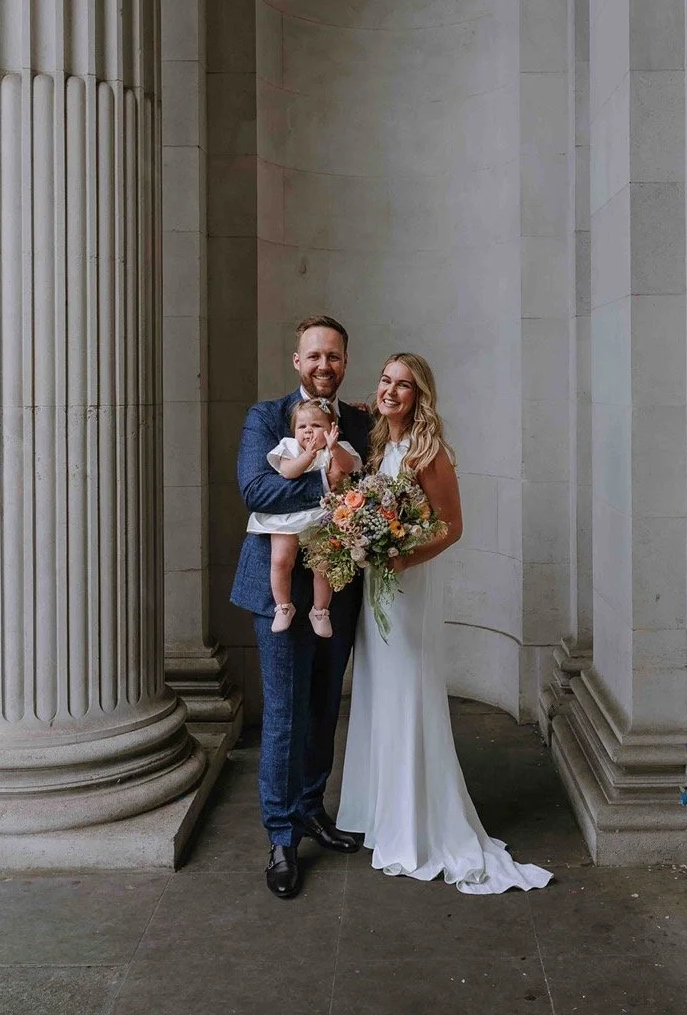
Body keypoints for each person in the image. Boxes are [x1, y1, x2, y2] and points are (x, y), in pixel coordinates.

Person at [337, 353, 552, 895]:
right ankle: (381, 813)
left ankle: (417, 823)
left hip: (407, 586)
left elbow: (451, 528)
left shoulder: (430, 454)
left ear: (420, 395)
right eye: (386, 380)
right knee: (380, 692)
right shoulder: (380, 443)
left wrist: (398, 557)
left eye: (403, 385)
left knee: (408, 690)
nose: (390, 391)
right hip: (375, 589)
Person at [230, 316, 372, 898]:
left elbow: (379, 488)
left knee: (322, 708)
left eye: (333, 357)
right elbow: (257, 491)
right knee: (286, 712)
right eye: (314, 356)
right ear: (297, 361)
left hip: (335, 588)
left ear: (344, 362)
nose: (323, 365)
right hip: (278, 591)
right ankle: (282, 836)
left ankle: (312, 808)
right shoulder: (267, 417)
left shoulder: (360, 421)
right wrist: (333, 487)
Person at [246, 397, 362, 639]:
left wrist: (334, 447)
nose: (308, 431)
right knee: (280, 559)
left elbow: (349, 467)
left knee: (323, 565)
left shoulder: (338, 448)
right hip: (287, 516)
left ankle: (320, 611)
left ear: (332, 429)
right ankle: (283, 606)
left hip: (320, 516)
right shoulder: (290, 447)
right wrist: (307, 457)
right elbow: (288, 472)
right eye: (302, 426)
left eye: (317, 426)